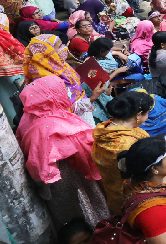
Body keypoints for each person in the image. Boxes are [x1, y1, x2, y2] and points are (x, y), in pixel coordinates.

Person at [15, 75, 109, 229]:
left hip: (51, 186)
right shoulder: (55, 124)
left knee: (68, 219)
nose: (65, 92)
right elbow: (85, 151)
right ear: (51, 94)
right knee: (88, 211)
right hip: (73, 177)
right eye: (62, 89)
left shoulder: (29, 117)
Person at [91, 90, 152, 213]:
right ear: (138, 115)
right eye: (147, 113)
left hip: (113, 195)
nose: (148, 117)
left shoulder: (105, 129)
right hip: (133, 201)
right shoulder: (127, 145)